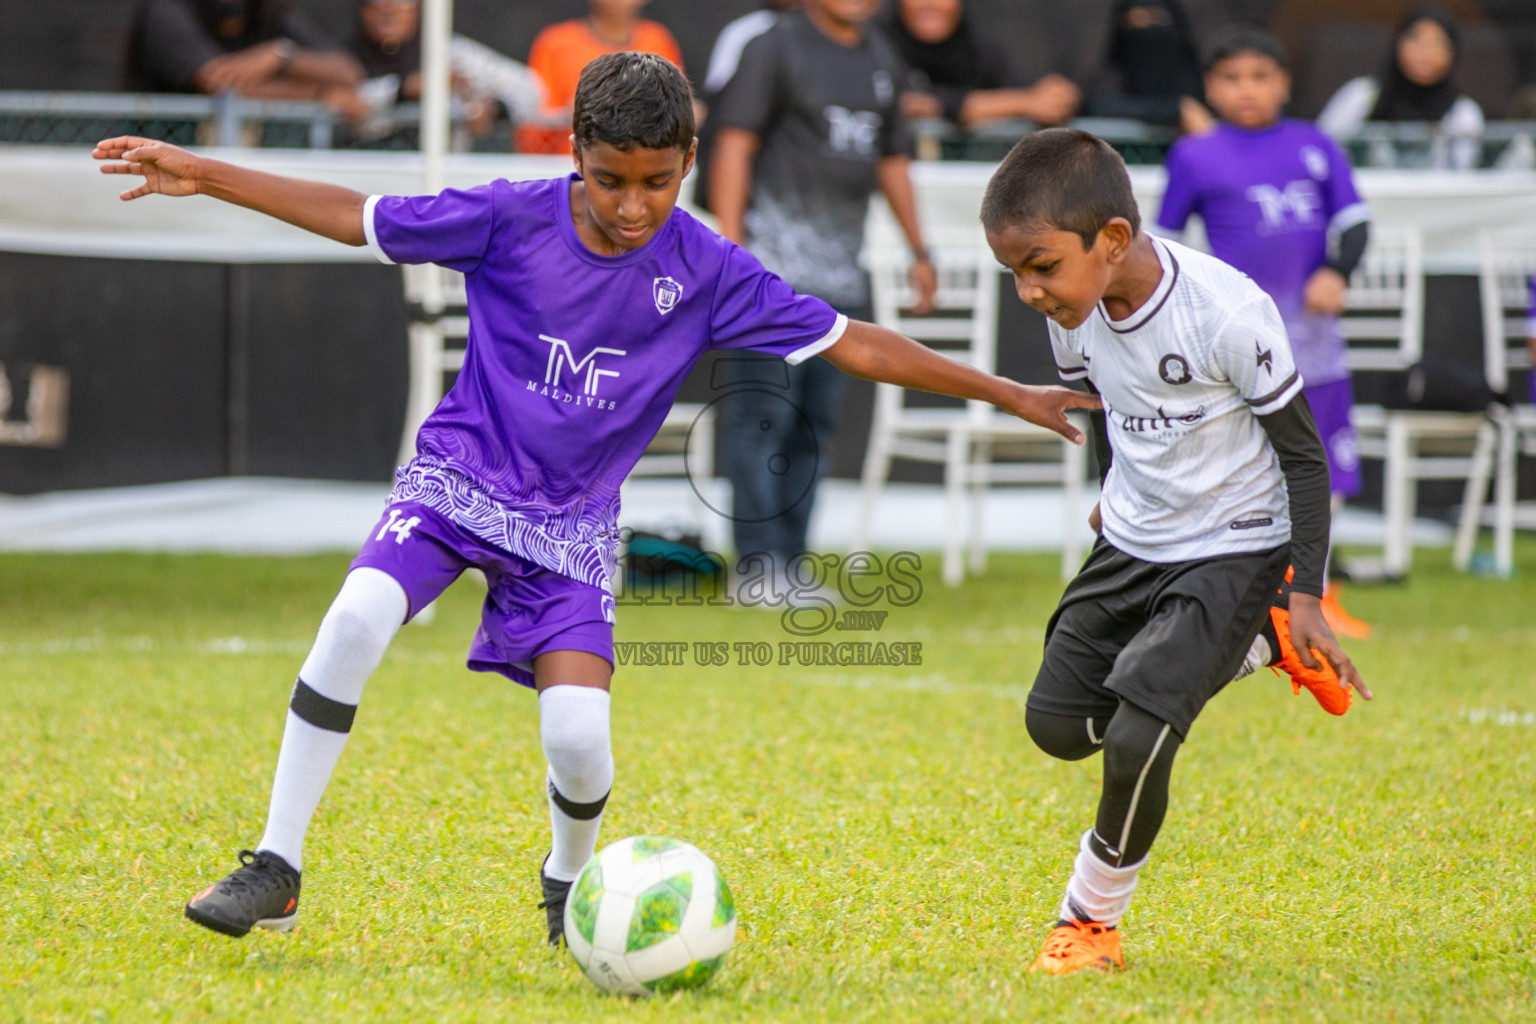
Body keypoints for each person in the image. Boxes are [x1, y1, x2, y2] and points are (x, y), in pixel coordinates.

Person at [94, 53, 1097, 945]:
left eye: (658, 184)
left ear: (689, 162)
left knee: (576, 738)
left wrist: (1007, 390)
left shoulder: (705, 267)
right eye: (612, 179)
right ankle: (276, 865)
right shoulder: (507, 216)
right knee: (356, 615)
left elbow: (854, 340)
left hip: (569, 529)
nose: (632, 206)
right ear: (574, 151)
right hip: (458, 479)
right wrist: (206, 172)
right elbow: (356, 218)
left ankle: (569, 882)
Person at [979, 128, 1371, 975]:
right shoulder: (1073, 314)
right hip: (1132, 541)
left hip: (1237, 544)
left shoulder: (1227, 312)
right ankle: (1255, 643)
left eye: (1040, 266)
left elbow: (1304, 457)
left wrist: (1306, 590)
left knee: (1137, 735)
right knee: (1058, 727)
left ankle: (1089, 924)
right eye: (1015, 271)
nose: (1027, 290)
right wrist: (1109, 492)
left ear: (1110, 241)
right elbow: (1106, 409)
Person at [708, 0, 936, 586]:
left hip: (840, 285)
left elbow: (892, 160)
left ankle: (792, 564)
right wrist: (734, 255)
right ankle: (759, 569)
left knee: (814, 426)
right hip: (768, 280)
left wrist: (920, 250)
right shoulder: (772, 46)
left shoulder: (881, 54)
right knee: (761, 423)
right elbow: (732, 145)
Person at [1155, 29, 1374, 638]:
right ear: (1210, 87)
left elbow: (1356, 223)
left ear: (1282, 82)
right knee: (1241, 472)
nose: (1246, 90)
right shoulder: (1195, 155)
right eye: (1230, 78)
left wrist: (1337, 270)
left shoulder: (1316, 146)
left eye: (1259, 76)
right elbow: (1160, 244)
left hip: (1317, 349)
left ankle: (1319, 596)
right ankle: (1236, 596)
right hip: (1238, 353)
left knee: (1322, 470)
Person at [337, 0, 544, 140]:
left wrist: (491, 106)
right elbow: (347, 102)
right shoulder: (341, 60)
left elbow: (531, 89)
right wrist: (404, 89)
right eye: (377, 1)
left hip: (442, 177)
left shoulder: (451, 54)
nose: (388, 9)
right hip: (367, 169)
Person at [1316, 5, 1484, 171]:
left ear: (1453, 54)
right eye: (1415, 39)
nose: (1424, 52)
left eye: (1437, 43)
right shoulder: (1364, 96)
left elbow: (1465, 177)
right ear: (1398, 43)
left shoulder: (1463, 113)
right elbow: (1320, 153)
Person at [515, 0, 684, 154]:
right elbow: (532, 130)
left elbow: (676, 114)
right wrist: (570, 114)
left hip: (643, 164)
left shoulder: (659, 41)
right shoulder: (555, 43)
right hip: (571, 166)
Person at [885, 0, 1079, 129]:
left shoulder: (979, 50)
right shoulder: (880, 47)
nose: (930, 4)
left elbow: (1030, 94)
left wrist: (1057, 98)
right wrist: (1024, 103)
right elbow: (913, 103)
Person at [125, 0, 363, 103]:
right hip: (163, 150)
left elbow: (348, 72)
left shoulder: (266, 8)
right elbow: (218, 83)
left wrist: (281, 57)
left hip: (242, 162)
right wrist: (320, 96)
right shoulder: (166, 9)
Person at [1079, 0, 1213, 134]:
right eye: (1133, 22)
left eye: (1154, 19)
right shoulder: (1114, 74)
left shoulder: (1196, 78)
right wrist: (1177, 109)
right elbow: (1101, 106)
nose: (1144, 28)